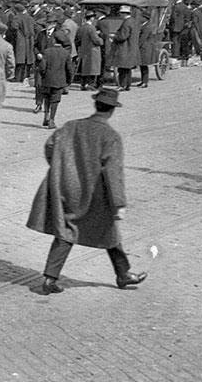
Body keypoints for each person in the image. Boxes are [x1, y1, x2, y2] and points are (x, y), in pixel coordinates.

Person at [27, 87, 147, 295]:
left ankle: (49, 279)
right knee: (109, 230)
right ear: (111, 111)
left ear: (96, 105)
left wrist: (61, 169)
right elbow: (113, 172)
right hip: (94, 194)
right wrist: (118, 203)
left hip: (64, 188)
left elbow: (50, 147)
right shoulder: (110, 136)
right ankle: (123, 274)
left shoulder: (71, 127)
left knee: (65, 232)